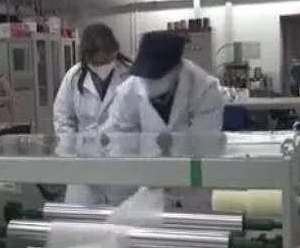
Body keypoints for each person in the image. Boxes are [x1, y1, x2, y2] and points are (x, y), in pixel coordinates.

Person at [52, 23, 132, 204]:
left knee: (123, 218)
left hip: (123, 165)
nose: (102, 67)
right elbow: (63, 119)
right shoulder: (73, 77)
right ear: (87, 58)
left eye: (107, 61)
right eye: (97, 63)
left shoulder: (132, 75)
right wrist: (70, 157)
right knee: (82, 220)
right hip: (84, 165)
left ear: (115, 52)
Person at [104, 30, 224, 135]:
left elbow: (205, 142)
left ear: (178, 68)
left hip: (190, 154)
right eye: (145, 74)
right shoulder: (128, 91)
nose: (149, 81)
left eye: (156, 75)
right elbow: (117, 137)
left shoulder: (205, 90)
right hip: (145, 154)